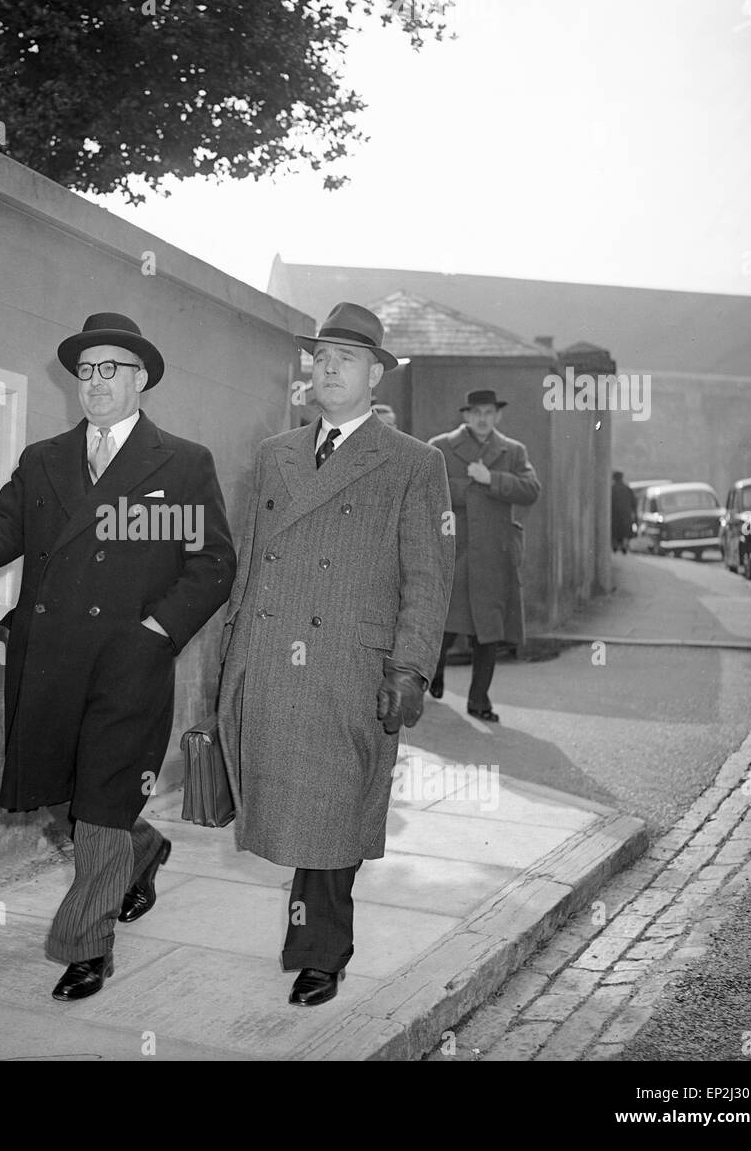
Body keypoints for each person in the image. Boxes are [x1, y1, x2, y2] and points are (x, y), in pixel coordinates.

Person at [0, 312, 236, 1002]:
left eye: (110, 371)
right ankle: (144, 848)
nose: (94, 384)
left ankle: (85, 944)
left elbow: (212, 563)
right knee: (60, 797)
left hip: (130, 659)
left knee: (99, 804)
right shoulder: (44, 458)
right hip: (49, 656)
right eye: (86, 372)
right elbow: (7, 518)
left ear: (140, 380)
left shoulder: (181, 463)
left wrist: (158, 630)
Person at [217, 302, 454, 1007]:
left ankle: (322, 951)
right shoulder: (275, 453)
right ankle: (308, 936)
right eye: (319, 357)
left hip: (349, 664)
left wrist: (410, 667)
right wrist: (231, 659)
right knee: (282, 804)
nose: (327, 367)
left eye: (345, 358)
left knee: (333, 811)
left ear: (377, 375)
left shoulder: (415, 463)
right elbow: (247, 562)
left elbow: (429, 575)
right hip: (269, 651)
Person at [427, 390, 541, 722]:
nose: (482, 418)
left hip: (494, 554)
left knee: (487, 632)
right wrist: (472, 488)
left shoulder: (513, 451)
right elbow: (428, 489)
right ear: (465, 415)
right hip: (455, 550)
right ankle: (434, 673)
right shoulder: (441, 447)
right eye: (476, 412)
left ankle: (479, 701)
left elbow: (531, 490)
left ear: (497, 416)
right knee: (444, 626)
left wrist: (492, 479)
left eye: (488, 412)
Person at [611, 470, 636, 553]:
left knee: (615, 531)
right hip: (626, 515)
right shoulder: (627, 489)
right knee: (624, 531)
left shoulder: (612, 489)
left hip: (615, 515)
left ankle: (615, 545)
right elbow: (633, 502)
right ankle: (624, 545)